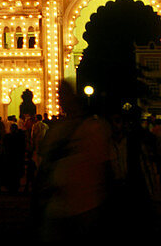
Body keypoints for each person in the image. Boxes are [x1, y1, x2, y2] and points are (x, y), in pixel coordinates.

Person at [35, 81, 112, 243]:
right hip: (60, 205)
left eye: (64, 96)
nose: (61, 101)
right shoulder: (58, 129)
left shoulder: (93, 128)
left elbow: (105, 166)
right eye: (60, 96)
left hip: (85, 205)